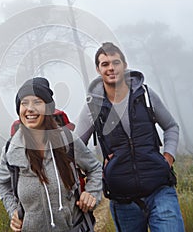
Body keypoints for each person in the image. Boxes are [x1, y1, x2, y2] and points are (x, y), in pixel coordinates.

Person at [75, 42, 185, 232]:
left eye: (115, 62)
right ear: (98, 69)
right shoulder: (93, 107)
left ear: (124, 65)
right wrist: (97, 171)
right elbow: (75, 147)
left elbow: (171, 127)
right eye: (105, 64)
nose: (111, 68)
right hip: (122, 200)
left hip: (160, 189)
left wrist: (168, 158)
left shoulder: (146, 95)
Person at [0, 77, 102, 232]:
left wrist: (91, 193)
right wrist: (13, 212)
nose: (30, 108)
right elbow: (1, 183)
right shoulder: (11, 150)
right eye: (24, 103)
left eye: (37, 102)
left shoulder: (67, 140)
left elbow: (95, 168)